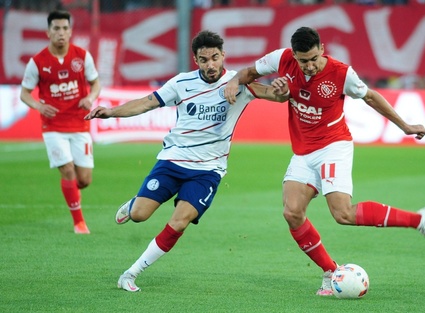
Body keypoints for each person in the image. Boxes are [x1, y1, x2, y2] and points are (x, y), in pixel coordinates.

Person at [224, 26, 425, 296]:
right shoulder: (281, 59)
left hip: (333, 145)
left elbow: (371, 97)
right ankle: (330, 271)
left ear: (323, 49)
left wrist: (405, 126)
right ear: (293, 55)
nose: (309, 66)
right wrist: (235, 81)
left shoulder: (341, 73)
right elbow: (249, 74)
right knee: (292, 212)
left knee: (343, 213)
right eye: (303, 60)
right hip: (303, 151)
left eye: (314, 58)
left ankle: (420, 220)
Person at [84, 30, 288, 292]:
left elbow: (277, 96)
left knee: (179, 221)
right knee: (139, 215)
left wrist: (283, 89)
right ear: (196, 60)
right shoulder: (182, 83)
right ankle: (134, 204)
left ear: (223, 55)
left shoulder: (239, 84)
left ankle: (131, 273)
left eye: (215, 57)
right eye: (204, 60)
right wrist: (111, 112)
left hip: (208, 171)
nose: (210, 65)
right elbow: (147, 103)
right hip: (172, 162)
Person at [20, 10, 101, 234]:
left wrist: (90, 98)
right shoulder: (37, 62)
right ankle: (79, 223)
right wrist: (38, 106)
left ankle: (74, 190)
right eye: (56, 28)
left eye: (65, 28)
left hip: (80, 123)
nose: (61, 33)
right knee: (67, 170)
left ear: (71, 31)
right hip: (52, 126)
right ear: (48, 32)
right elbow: (24, 93)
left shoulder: (82, 56)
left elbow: (96, 84)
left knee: (83, 180)